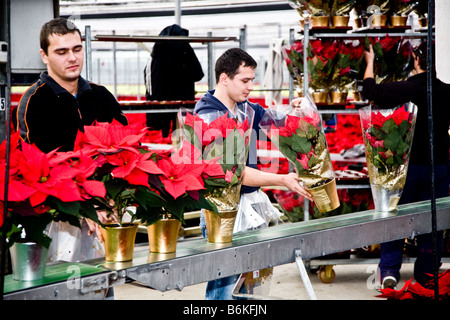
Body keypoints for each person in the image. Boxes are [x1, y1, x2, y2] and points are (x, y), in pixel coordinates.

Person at [194, 47, 312, 300]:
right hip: (221, 213)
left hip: (245, 206)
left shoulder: (244, 107)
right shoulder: (208, 114)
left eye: (252, 80)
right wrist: (281, 180)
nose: (250, 87)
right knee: (224, 286)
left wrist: (297, 110)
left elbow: (275, 121)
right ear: (224, 78)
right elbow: (232, 173)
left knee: (247, 287)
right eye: (245, 80)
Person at [13, 18, 128, 263]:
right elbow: (39, 165)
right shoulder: (34, 102)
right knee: (62, 285)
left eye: (77, 49)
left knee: (104, 284)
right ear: (44, 56)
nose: (72, 58)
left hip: (106, 210)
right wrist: (87, 207)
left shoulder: (101, 96)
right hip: (59, 216)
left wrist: (112, 200)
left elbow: (126, 148)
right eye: (61, 52)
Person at [363, 41, 450, 289]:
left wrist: (370, 62)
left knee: (396, 217)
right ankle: (427, 275)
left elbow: (370, 90)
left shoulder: (405, 89)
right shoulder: (446, 91)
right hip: (439, 167)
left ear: (415, 59)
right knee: (432, 222)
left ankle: (389, 270)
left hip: (405, 168)